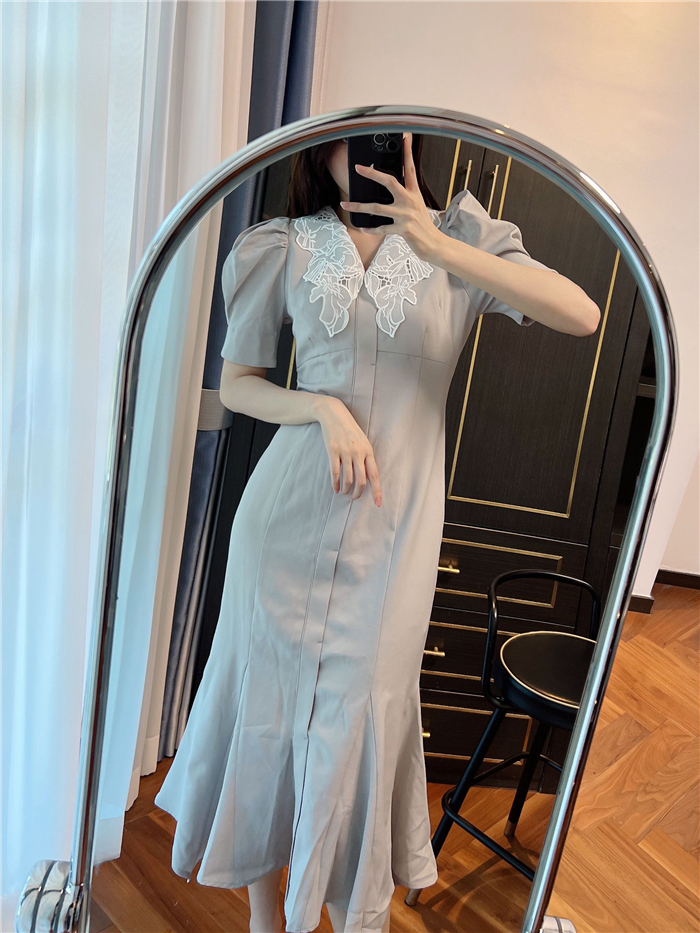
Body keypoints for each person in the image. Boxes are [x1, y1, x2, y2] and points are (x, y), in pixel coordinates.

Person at [154, 132, 600, 933]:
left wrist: (436, 245)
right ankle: (267, 918)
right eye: (349, 145)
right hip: (283, 526)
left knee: (359, 722)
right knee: (268, 710)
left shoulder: (461, 240)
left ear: (413, 148)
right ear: (318, 152)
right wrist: (320, 407)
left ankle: (345, 912)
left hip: (393, 537)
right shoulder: (282, 245)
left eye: (386, 143)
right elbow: (241, 385)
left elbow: (581, 314)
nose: (365, 160)